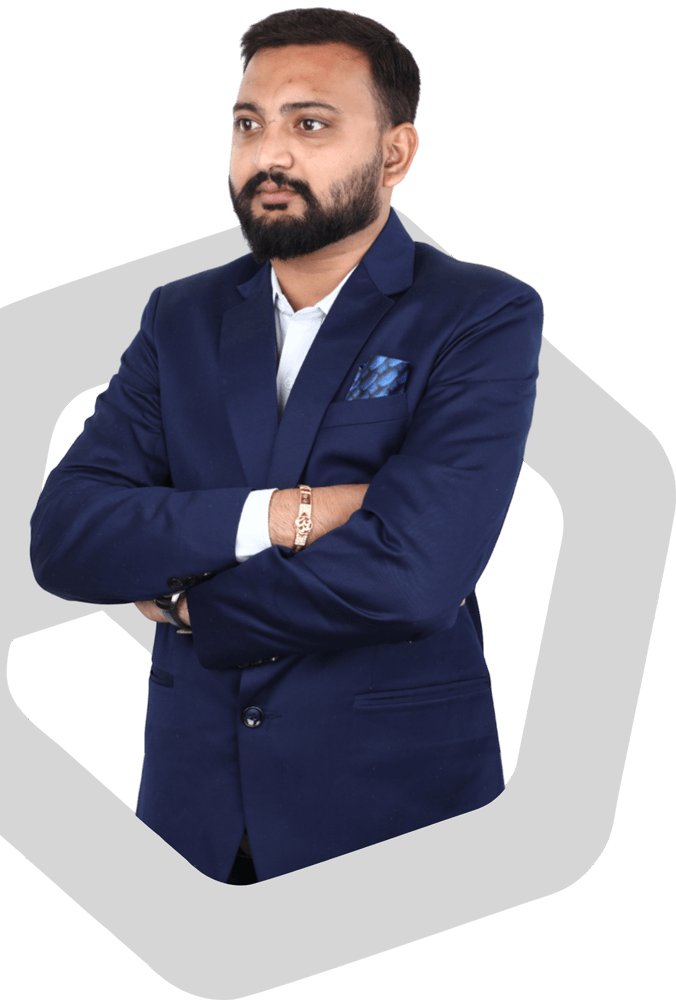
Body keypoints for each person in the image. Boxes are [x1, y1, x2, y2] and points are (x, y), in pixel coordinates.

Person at [30, 9, 544, 885]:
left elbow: (415, 578)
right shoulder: (181, 315)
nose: (268, 154)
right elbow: (67, 538)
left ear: (394, 153)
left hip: (395, 809)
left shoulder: (477, 312)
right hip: (191, 816)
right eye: (247, 124)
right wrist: (289, 515)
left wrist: (193, 608)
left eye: (309, 124)